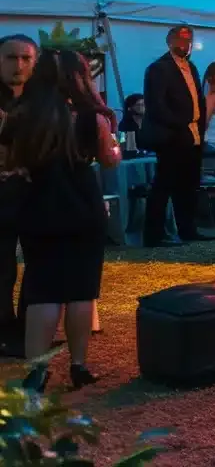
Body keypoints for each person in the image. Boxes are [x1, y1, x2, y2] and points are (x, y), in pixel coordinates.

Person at [1, 50, 116, 390]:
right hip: (82, 205)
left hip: (37, 206)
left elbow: (8, 163)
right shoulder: (92, 116)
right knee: (82, 289)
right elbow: (109, 160)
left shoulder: (22, 115)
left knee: (42, 290)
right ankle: (78, 366)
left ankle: (37, 371)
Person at [139, 26, 215, 247]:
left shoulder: (192, 67)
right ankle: (154, 234)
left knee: (188, 184)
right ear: (170, 41)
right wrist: (179, 125)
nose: (186, 43)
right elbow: (156, 105)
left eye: (189, 39)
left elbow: (197, 101)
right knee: (164, 184)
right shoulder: (158, 68)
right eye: (181, 39)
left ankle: (188, 229)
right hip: (171, 134)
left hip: (192, 133)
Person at [0, 34, 39, 354]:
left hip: (36, 193)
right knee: (2, 266)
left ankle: (31, 328)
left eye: (26, 58)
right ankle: (4, 329)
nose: (19, 65)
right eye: (11, 58)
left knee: (39, 263)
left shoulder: (43, 101)